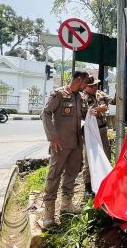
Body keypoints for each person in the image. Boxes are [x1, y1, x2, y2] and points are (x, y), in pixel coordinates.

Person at [40, 71, 89, 228]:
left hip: (76, 144)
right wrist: (52, 136)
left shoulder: (79, 97)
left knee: (72, 173)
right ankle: (48, 214)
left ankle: (66, 205)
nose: (85, 86)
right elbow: (45, 113)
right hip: (60, 144)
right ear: (79, 80)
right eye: (85, 83)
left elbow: (84, 115)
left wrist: (94, 112)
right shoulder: (59, 95)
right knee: (54, 175)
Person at [81, 76, 112, 196]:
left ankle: (105, 181)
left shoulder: (100, 94)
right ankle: (88, 187)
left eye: (95, 85)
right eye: (91, 86)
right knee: (89, 158)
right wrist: (97, 110)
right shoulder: (82, 97)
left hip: (102, 129)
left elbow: (113, 100)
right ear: (86, 86)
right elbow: (83, 114)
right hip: (90, 131)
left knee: (106, 154)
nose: (94, 87)